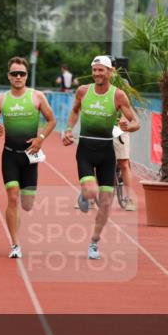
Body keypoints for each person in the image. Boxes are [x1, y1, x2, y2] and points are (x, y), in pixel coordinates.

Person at [61, 55, 140, 260]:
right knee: (91, 191)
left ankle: (94, 242)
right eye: (94, 70)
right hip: (86, 150)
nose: (97, 73)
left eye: (101, 70)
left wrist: (128, 126)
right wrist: (68, 129)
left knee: (105, 203)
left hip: (107, 152)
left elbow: (135, 122)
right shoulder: (83, 91)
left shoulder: (118, 95)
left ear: (110, 72)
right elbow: (75, 111)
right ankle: (85, 195)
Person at [0, 56, 57, 259]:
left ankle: (17, 229)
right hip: (9, 155)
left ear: (26, 76)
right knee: (12, 195)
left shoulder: (37, 97)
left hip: (30, 157)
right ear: (8, 76)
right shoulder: (1, 99)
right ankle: (15, 244)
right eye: (14, 73)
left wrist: (41, 138)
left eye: (22, 73)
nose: (18, 77)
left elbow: (52, 120)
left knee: (27, 204)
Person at [113, 130, 137, 211]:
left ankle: (129, 198)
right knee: (95, 161)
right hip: (101, 129)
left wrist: (129, 127)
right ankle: (89, 197)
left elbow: (134, 122)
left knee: (124, 164)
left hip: (119, 131)